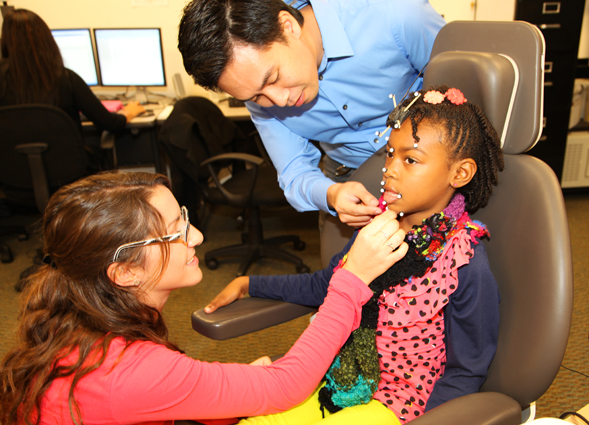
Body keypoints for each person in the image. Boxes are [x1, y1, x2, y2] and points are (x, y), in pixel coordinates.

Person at [0, 170, 409, 425]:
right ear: (125, 271)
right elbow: (288, 386)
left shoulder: (84, 324)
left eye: (185, 218)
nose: (195, 236)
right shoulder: (125, 370)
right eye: (176, 232)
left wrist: (218, 397)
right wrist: (352, 277)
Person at [205, 86, 504, 424]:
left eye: (410, 160)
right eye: (390, 154)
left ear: (459, 173)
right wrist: (251, 284)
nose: (389, 169)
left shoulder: (463, 261)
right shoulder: (376, 228)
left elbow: (466, 370)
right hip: (341, 377)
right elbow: (326, 285)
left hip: (401, 402)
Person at [178, 0, 446, 227]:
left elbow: (466, 86)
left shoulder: (393, 12)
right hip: (349, 179)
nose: (279, 100)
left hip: (436, 169)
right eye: (256, 96)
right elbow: (294, 170)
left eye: (273, 77)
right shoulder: (256, 93)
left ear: (289, 27)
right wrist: (331, 194)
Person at [0, 9, 144, 136]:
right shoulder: (66, 79)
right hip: (66, 165)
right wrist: (128, 112)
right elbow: (109, 123)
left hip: (12, 166)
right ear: (46, 40)